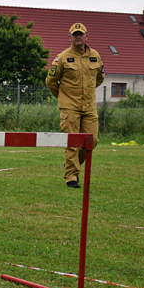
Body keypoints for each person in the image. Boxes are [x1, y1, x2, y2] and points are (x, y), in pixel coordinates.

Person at [45, 23, 104, 189]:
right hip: (69, 107)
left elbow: (100, 78)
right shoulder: (62, 58)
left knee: (91, 141)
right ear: (69, 37)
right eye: (75, 34)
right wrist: (63, 97)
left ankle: (72, 165)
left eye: (81, 34)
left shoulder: (95, 56)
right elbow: (50, 81)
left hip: (89, 107)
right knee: (72, 142)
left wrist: (88, 93)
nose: (78, 37)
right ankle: (71, 176)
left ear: (86, 36)